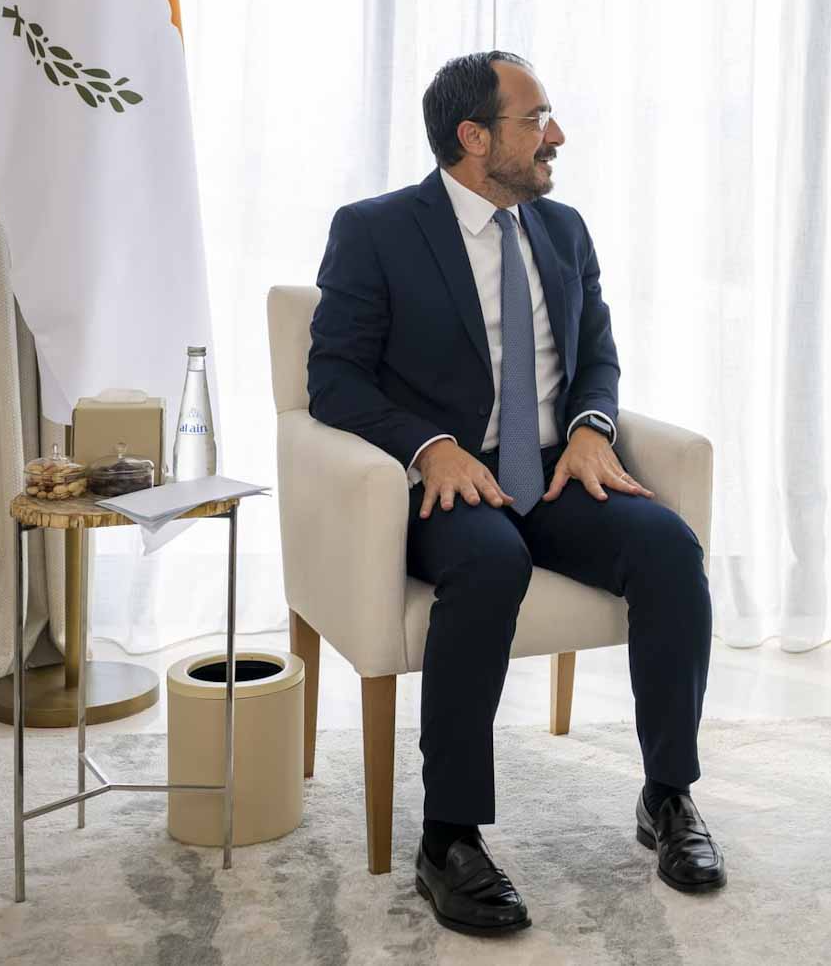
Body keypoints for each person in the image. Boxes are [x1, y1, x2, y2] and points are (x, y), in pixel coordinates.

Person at [308, 51, 725, 937]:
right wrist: (429, 448)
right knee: (491, 565)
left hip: (555, 471)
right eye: (535, 120)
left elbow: (598, 356)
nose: (555, 135)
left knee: (669, 547)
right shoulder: (377, 231)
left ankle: (668, 795)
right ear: (473, 137)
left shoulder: (563, 230)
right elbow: (334, 381)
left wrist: (592, 427)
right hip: (447, 480)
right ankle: (448, 838)